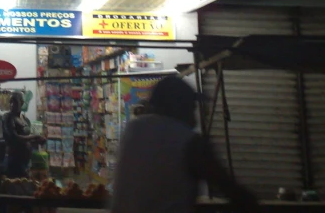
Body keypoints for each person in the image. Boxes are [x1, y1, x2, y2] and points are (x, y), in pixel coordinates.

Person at [111, 76, 259, 213]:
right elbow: (232, 190)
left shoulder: (133, 129)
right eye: (192, 107)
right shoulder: (189, 140)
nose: (195, 115)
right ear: (179, 106)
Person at [2, 91, 45, 178]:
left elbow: (26, 138)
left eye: (15, 101)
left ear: (21, 103)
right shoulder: (8, 118)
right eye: (11, 102)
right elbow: (14, 137)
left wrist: (38, 140)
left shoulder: (25, 119)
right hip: (14, 160)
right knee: (15, 186)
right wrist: (35, 136)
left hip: (25, 160)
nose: (12, 104)